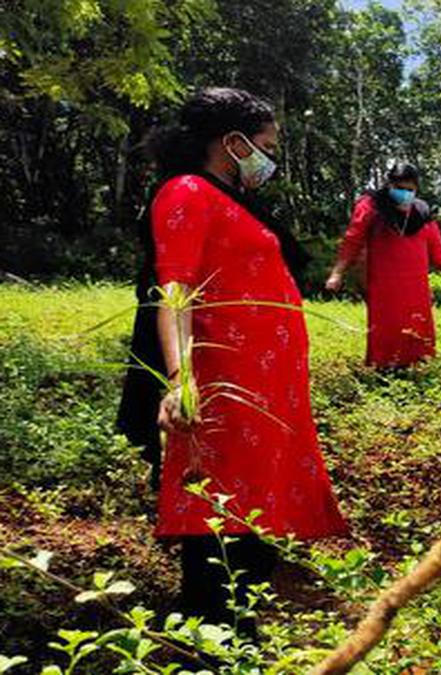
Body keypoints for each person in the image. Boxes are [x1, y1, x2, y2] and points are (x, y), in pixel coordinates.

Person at [133, 87, 348, 635]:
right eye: (264, 144)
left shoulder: (235, 201)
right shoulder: (186, 192)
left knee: (253, 516)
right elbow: (174, 291)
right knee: (219, 517)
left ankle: (236, 632)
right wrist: (180, 378)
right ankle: (209, 639)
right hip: (224, 385)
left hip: (265, 390)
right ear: (232, 142)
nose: (268, 156)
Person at [325, 162, 441, 368]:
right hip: (385, 284)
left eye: (410, 190)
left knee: (418, 325)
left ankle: (419, 368)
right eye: (399, 188)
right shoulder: (372, 207)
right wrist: (337, 273)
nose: (404, 194)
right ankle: (384, 369)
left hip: (416, 285)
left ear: (416, 189)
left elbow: (436, 246)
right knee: (387, 327)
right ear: (389, 185)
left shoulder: (422, 212)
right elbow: (353, 240)